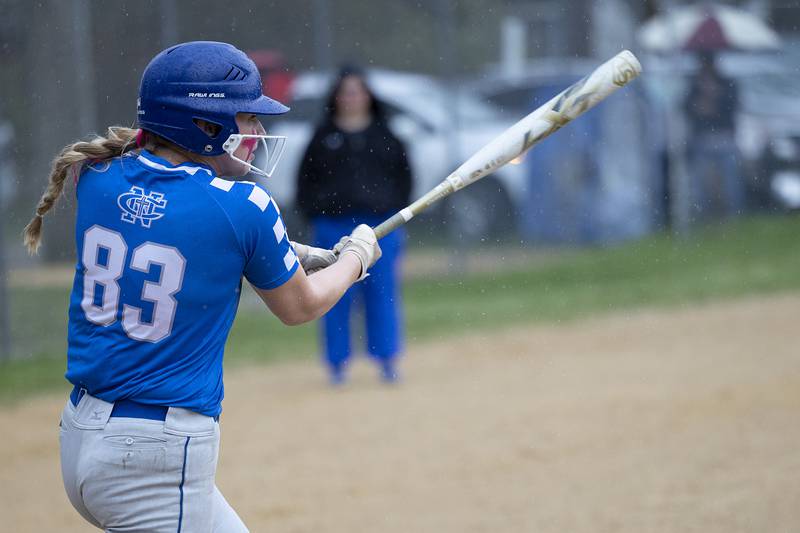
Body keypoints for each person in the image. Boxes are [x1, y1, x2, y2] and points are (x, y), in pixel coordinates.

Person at [22, 41, 381, 533]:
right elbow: (301, 305)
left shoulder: (101, 176)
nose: (257, 132)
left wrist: (290, 252)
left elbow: (181, 230)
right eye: (247, 118)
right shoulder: (243, 205)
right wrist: (357, 257)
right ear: (205, 126)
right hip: (153, 455)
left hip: (83, 436)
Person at [296, 65, 412, 385]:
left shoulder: (385, 136)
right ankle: (337, 365)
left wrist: (393, 214)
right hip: (333, 227)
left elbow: (403, 179)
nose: (352, 98)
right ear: (336, 97)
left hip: (378, 228)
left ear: (368, 96)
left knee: (382, 295)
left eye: (358, 91)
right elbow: (304, 182)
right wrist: (317, 213)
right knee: (333, 294)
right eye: (346, 92)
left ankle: (387, 360)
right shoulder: (323, 138)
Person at [683, 52, 744, 220]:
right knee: (700, 184)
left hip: (724, 138)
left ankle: (733, 215)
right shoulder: (694, 85)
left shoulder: (727, 83)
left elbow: (730, 108)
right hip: (702, 139)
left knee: (731, 183)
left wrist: (714, 100)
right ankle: (705, 216)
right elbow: (688, 108)